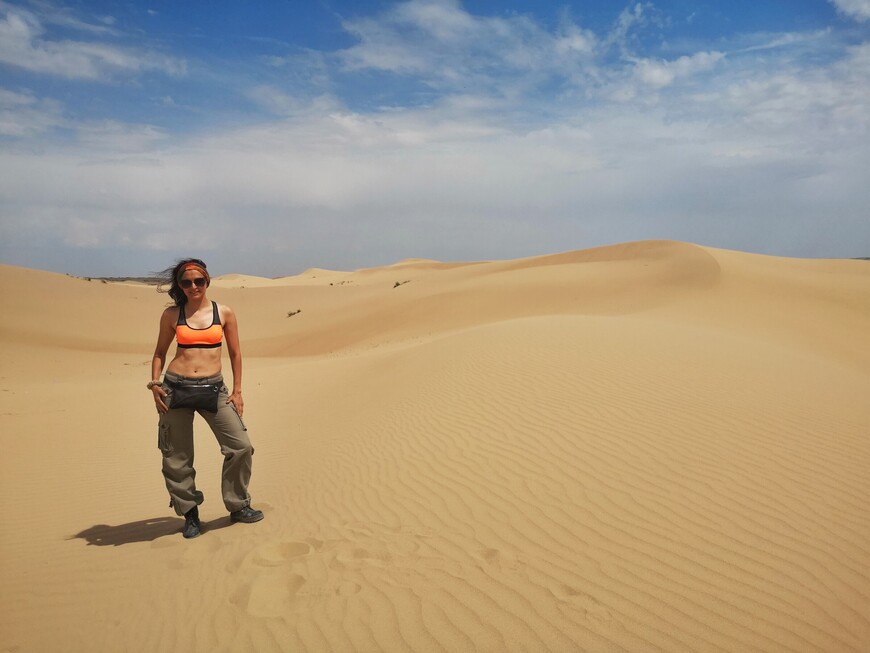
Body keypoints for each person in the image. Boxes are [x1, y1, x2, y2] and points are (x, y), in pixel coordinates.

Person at [149, 258, 263, 538]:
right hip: (175, 389)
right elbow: (160, 353)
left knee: (240, 447)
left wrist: (237, 391)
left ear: (208, 281)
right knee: (177, 457)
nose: (193, 286)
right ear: (180, 285)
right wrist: (154, 384)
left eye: (198, 281)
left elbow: (235, 353)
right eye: (186, 282)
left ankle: (238, 504)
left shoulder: (223, 312)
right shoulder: (171, 315)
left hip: (214, 389)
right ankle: (190, 514)